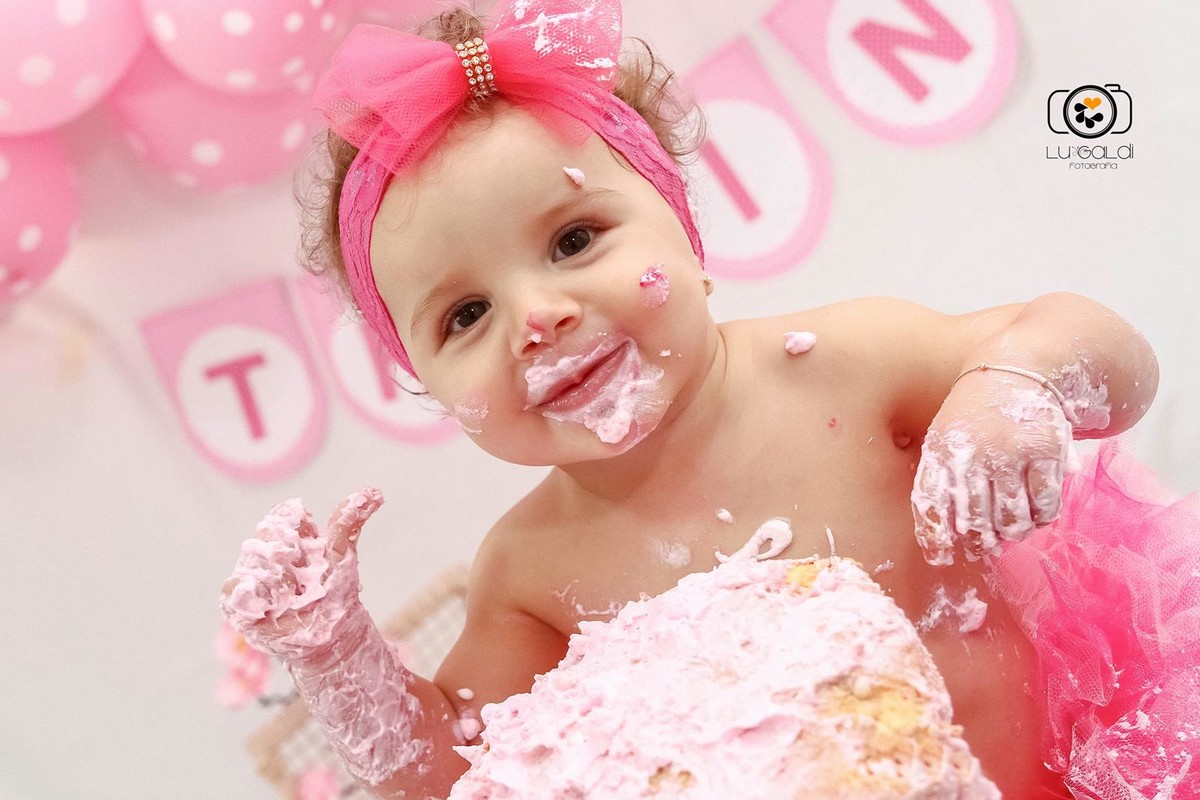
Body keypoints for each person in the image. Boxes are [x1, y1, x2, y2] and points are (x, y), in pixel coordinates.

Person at [221, 1, 1200, 798]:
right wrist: (340, 660)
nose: (537, 315)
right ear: (422, 384)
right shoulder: (532, 571)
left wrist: (1017, 375)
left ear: (681, 229)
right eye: (465, 313)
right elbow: (453, 775)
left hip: (1072, 771)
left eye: (573, 240)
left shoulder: (845, 368)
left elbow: (1111, 356)